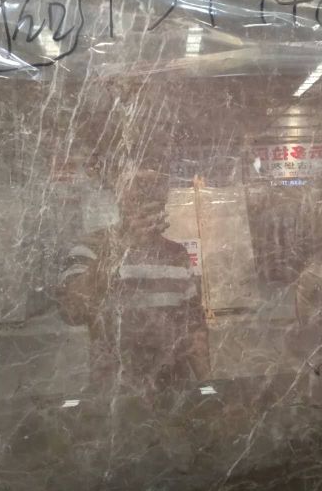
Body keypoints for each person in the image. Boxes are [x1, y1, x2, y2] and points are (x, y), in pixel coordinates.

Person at [57, 162, 210, 396]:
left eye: (155, 186)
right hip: (115, 394)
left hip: (172, 391)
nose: (146, 193)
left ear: (164, 198)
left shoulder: (176, 254)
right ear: (120, 195)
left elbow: (193, 328)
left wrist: (208, 388)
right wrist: (121, 246)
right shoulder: (90, 248)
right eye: (137, 186)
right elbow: (72, 310)